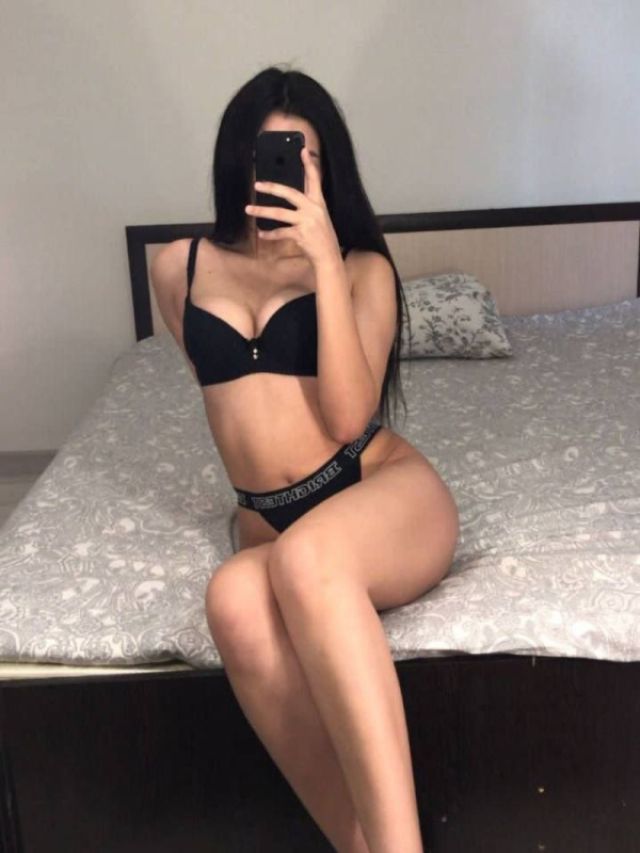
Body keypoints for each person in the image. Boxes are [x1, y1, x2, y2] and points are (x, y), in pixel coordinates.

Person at [151, 64, 459, 853]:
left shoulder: (361, 269)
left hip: (380, 490)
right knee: (232, 598)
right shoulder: (178, 266)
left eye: (306, 156)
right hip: (271, 525)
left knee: (306, 561)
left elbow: (349, 417)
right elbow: (220, 385)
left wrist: (323, 260)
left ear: (329, 168)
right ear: (238, 161)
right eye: (270, 153)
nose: (288, 170)